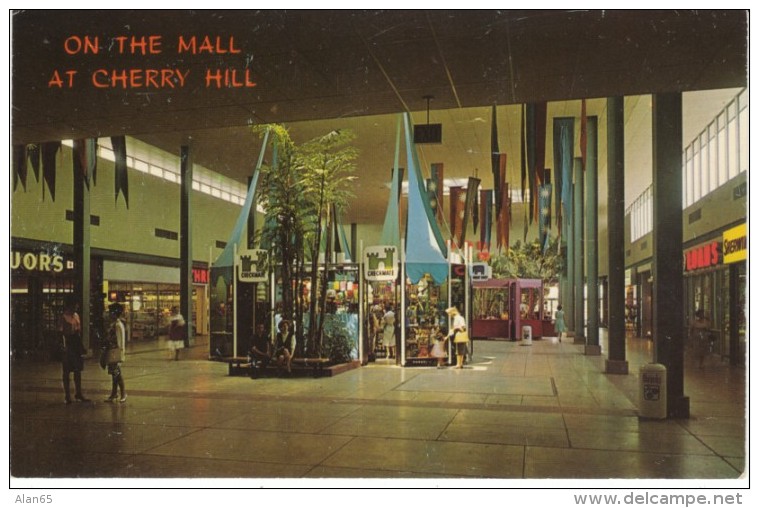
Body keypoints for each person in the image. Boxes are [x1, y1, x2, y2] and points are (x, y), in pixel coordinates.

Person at [57, 296, 89, 404]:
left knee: (77, 370)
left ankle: (78, 393)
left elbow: (78, 331)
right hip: (68, 344)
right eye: (75, 305)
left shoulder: (76, 316)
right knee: (66, 371)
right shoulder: (63, 317)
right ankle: (67, 395)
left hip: (75, 343)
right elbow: (61, 333)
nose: (77, 307)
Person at [104, 303, 127, 403]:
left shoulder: (118, 325)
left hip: (115, 352)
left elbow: (120, 341)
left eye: (110, 312)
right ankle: (114, 394)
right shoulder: (115, 324)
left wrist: (120, 354)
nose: (109, 314)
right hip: (112, 351)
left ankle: (123, 393)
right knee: (114, 374)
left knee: (117, 374)